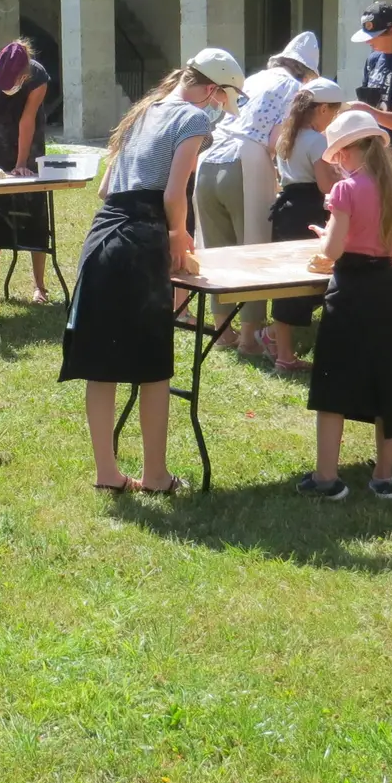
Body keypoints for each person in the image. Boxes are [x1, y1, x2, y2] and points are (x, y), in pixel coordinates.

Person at [62, 49, 244, 495]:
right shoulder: (193, 119)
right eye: (220, 101)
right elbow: (174, 191)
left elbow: (106, 186)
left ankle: (108, 474)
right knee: (153, 365)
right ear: (213, 90)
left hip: (103, 231)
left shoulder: (143, 111)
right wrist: (179, 235)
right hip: (142, 237)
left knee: (100, 364)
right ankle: (156, 476)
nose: (217, 109)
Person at [299, 110, 392, 501]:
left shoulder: (346, 190)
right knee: (385, 375)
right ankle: (384, 477)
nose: (338, 164)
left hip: (349, 286)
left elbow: (333, 250)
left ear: (350, 151)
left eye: (338, 156)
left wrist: (327, 237)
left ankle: (326, 477)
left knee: (333, 379)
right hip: (385, 284)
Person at [196, 31, 320, 354]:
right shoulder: (296, 90)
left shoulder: (253, 79)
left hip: (209, 158)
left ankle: (222, 331)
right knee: (254, 249)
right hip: (245, 161)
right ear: (306, 72)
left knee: (217, 251)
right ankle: (249, 337)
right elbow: (276, 140)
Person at [263, 76, 346, 373]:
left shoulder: (289, 134)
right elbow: (325, 185)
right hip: (308, 209)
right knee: (310, 278)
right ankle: (283, 351)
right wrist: (343, 177)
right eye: (334, 113)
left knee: (286, 282)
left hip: (287, 206)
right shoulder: (316, 140)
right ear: (322, 109)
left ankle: (280, 346)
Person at [0, 40, 54, 304]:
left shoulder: (37, 76)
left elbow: (27, 120)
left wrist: (21, 163)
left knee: (34, 216)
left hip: (29, 151)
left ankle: (39, 286)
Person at [346, 1, 392, 139]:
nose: (368, 41)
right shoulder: (372, 60)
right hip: (369, 144)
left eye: (374, 36)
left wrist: (364, 109)